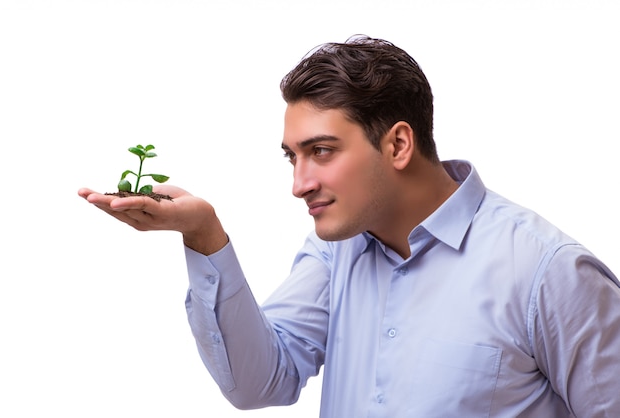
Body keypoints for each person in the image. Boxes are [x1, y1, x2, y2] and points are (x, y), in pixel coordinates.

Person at [79, 35, 620, 417]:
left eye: (321, 151)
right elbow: (259, 381)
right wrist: (204, 237)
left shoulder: (549, 273)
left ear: (398, 144)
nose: (300, 182)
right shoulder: (333, 252)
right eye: (292, 157)